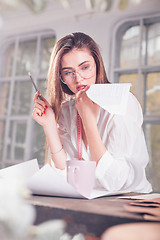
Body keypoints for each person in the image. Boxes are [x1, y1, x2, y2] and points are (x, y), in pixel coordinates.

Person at [32, 32, 152, 193]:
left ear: (97, 64)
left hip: (130, 199)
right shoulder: (67, 109)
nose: (78, 78)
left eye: (85, 67)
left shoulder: (122, 102)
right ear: (60, 77)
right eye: (68, 72)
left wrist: (88, 120)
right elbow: (64, 172)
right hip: (90, 199)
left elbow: (115, 180)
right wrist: (50, 126)